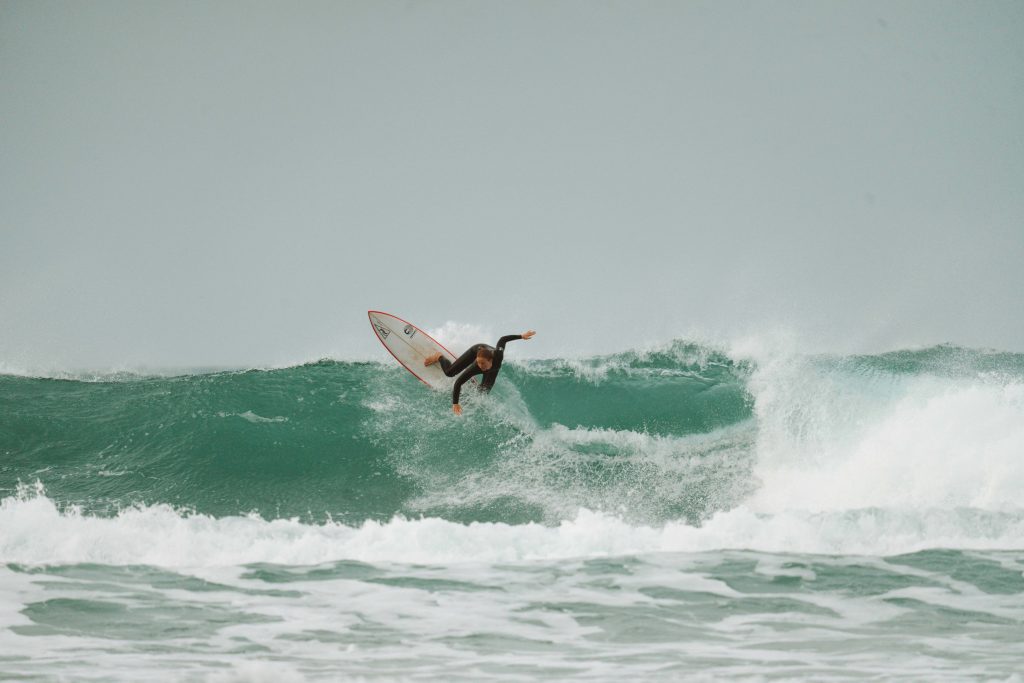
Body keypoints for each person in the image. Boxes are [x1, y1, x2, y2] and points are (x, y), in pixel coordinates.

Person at [424, 330, 536, 414]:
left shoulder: (498, 355)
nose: (480, 366)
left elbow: (502, 339)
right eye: (478, 363)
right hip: (476, 350)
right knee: (449, 373)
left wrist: (522, 336)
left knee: (483, 392)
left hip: (489, 360)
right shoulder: (477, 366)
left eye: (482, 364)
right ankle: (439, 357)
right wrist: (455, 403)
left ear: (490, 360)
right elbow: (458, 382)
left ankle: (476, 380)